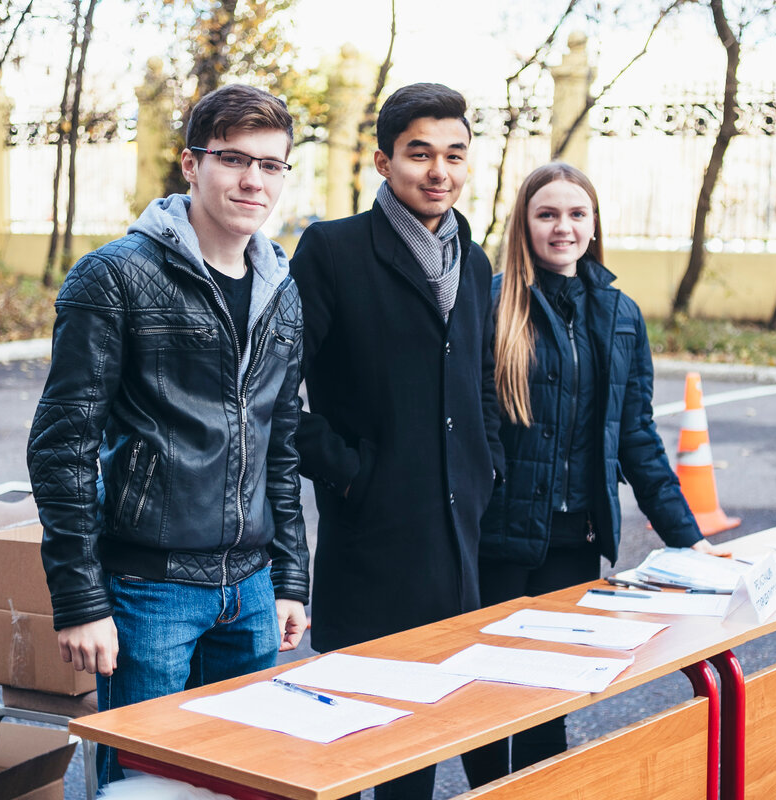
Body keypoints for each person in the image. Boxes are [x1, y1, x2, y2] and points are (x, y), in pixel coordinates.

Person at [26, 84, 309, 784]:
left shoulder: (281, 285)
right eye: (234, 159)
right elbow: (62, 447)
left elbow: (280, 443)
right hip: (150, 589)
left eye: (271, 165)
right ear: (190, 164)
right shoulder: (114, 276)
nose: (253, 180)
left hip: (249, 589)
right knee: (146, 789)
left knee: (242, 782)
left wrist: (290, 579)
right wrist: (80, 600)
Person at [461, 162, 728, 787]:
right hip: (495, 538)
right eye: (547, 214)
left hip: (573, 539)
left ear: (594, 223)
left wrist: (689, 540)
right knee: (490, 688)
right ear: (524, 224)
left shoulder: (620, 313)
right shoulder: (493, 303)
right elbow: (474, 429)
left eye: (577, 214)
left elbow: (637, 438)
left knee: (550, 690)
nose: (563, 228)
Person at [289, 82, 504, 800]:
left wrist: (485, 468)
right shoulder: (333, 250)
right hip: (375, 542)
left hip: (458, 541)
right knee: (368, 751)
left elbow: (479, 381)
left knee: (440, 733)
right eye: (419, 154)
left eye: (453, 154)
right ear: (384, 162)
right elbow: (272, 391)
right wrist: (351, 474)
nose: (438, 171)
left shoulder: (473, 262)